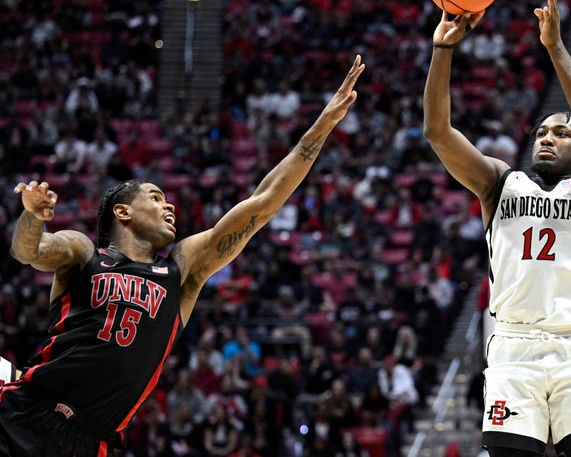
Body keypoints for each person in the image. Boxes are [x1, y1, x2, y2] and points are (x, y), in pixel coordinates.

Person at [0, 56, 366, 456]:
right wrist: (32, 218)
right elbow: (26, 251)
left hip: (90, 440)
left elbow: (263, 203)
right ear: (122, 212)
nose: (169, 206)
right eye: (156, 198)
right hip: (25, 409)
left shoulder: (180, 269)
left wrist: (324, 124)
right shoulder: (83, 252)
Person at [422, 0, 571, 456]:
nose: (546, 139)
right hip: (512, 349)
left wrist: (554, 48)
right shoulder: (499, 182)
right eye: (541, 132)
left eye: (561, 132)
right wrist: (443, 50)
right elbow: (437, 131)